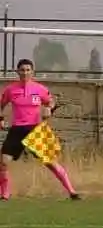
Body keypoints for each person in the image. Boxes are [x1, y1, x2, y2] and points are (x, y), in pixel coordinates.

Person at [0, 59, 80, 201]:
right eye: (22, 70)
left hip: (35, 130)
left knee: (51, 163)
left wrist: (49, 108)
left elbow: (51, 101)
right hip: (17, 130)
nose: (25, 72)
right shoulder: (10, 90)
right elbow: (1, 104)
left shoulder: (40, 89)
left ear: (32, 72)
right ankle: (5, 194)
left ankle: (72, 191)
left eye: (28, 70)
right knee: (4, 162)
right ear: (17, 72)